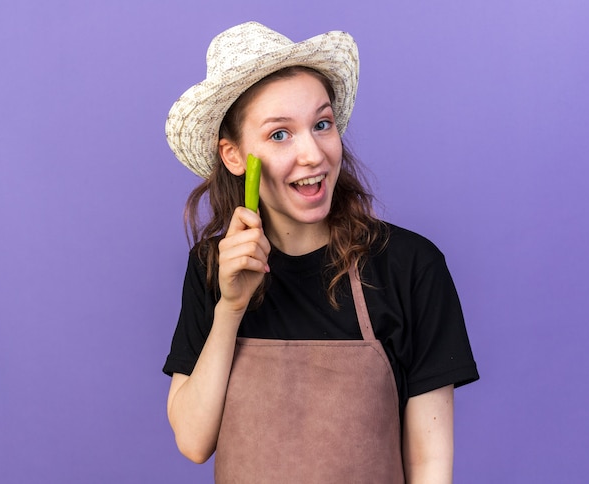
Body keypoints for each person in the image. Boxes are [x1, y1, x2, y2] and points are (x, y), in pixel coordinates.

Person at [162, 21, 479, 483]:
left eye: (321, 124)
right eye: (279, 134)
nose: (313, 153)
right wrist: (230, 307)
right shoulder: (211, 268)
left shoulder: (410, 266)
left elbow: (430, 463)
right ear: (233, 157)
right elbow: (193, 441)